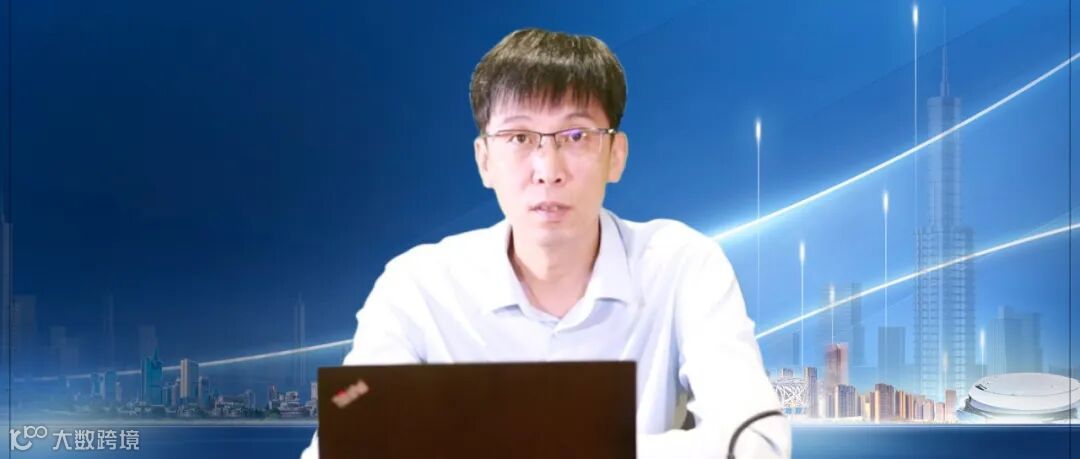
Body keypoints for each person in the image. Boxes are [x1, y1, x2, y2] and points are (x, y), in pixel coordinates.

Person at [301, 28, 789, 459]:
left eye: (576, 135)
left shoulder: (681, 266)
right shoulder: (419, 287)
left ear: (616, 156)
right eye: (518, 137)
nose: (548, 170)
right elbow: (344, 442)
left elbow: (756, 439)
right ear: (484, 160)